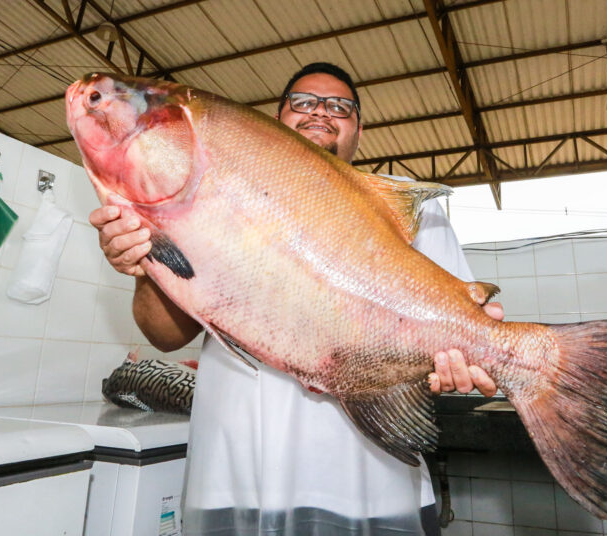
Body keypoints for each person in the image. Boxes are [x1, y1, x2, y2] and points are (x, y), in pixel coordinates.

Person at [89, 62, 503, 536]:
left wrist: (465, 355)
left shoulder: (414, 210)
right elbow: (165, 337)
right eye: (303, 102)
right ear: (275, 119)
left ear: (359, 128)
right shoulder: (216, 197)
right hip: (233, 481)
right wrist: (146, 266)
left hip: (371, 486)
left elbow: (459, 332)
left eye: (340, 107)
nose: (321, 113)